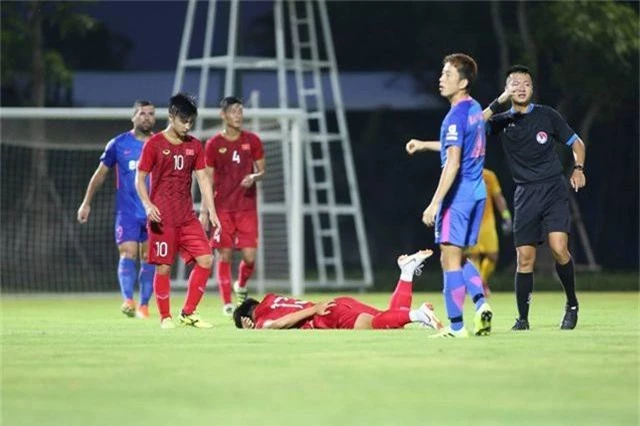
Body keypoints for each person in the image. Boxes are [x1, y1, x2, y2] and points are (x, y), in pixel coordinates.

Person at [482, 65, 586, 331]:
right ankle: (523, 319)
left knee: (558, 248)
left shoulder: (547, 115)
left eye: (526, 83)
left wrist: (578, 169)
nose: (521, 87)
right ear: (507, 88)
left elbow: (577, 143)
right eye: (514, 83)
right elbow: (473, 126)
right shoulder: (501, 120)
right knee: (524, 258)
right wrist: (498, 102)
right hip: (524, 192)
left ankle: (572, 304)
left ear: (532, 88)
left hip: (553, 188)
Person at [405, 53, 492, 338]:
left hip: (459, 195)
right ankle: (481, 305)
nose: (441, 80)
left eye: (448, 75)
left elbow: (452, 162)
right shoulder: (474, 108)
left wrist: (435, 202)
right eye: (442, 74)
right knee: (457, 256)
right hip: (478, 191)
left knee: (449, 260)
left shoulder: (454, 115)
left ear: (463, 82)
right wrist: (424, 144)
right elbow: (455, 145)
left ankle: (456, 327)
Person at [135, 93, 221, 329]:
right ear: (172, 116)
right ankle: (165, 317)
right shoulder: (154, 144)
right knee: (164, 267)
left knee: (205, 259)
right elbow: (139, 178)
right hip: (161, 218)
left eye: (191, 121)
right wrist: (147, 204)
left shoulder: (194, 145)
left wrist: (211, 211)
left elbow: (203, 178)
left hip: (186, 218)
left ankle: (188, 312)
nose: (188, 125)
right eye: (184, 120)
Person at [77, 100, 157, 319]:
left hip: (154, 212)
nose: (147, 117)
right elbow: (100, 174)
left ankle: (144, 305)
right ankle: (128, 300)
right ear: (133, 117)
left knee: (149, 258)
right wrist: (86, 203)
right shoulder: (118, 144)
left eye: (151, 114)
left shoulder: (160, 144)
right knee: (128, 253)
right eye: (142, 113)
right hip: (128, 213)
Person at [233, 249, 444, 330]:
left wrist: (253, 328)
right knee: (389, 320)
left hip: (325, 314)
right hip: (337, 302)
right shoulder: (270, 298)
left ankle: (419, 314)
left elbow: (277, 324)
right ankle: (406, 274)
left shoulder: (261, 320)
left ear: (248, 317)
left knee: (377, 324)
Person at [202, 97, 265, 316]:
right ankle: (227, 303)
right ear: (223, 115)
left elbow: (262, 171)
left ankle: (241, 284)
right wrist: (205, 211)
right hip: (223, 209)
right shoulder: (213, 144)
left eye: (240, 110)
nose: (238, 115)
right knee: (225, 255)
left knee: (249, 258)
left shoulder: (253, 140)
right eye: (233, 111)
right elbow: (207, 179)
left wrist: (254, 177)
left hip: (247, 208)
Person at [465, 168, 512, 296]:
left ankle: (482, 280)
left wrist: (506, 215)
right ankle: (476, 287)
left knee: (493, 255)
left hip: (487, 222)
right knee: (473, 256)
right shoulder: (464, 174)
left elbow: (498, 197)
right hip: (470, 222)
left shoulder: (489, 176)